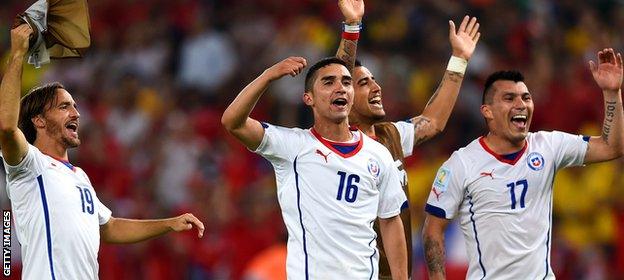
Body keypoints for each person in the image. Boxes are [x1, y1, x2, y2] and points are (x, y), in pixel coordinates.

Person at [0, 25, 205, 280]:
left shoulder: (80, 176)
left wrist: (168, 223)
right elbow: (7, 128)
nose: (76, 113)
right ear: (39, 121)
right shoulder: (30, 165)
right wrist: (18, 53)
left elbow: (109, 227)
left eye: (75, 106)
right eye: (64, 106)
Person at [422, 49, 624, 279]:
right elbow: (433, 228)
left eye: (526, 97)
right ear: (487, 111)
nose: (521, 104)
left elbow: (611, 147)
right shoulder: (462, 163)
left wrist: (611, 93)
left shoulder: (548, 145)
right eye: (509, 98)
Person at [221, 56, 408, 279]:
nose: (340, 88)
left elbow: (390, 220)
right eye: (329, 82)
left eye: (347, 83)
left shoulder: (378, 154)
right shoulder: (292, 146)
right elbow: (232, 122)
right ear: (308, 98)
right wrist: (269, 75)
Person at [333, 1, 480, 278]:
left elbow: (434, 121)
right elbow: (332, 79)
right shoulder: (339, 144)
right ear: (344, 97)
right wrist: (352, 28)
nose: (377, 87)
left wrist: (459, 60)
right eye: (363, 83)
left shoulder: (390, 135)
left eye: (374, 80)